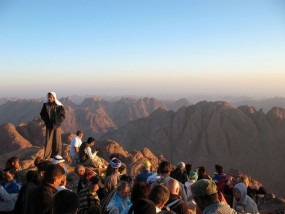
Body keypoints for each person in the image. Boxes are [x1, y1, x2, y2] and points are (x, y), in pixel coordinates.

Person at [40, 91, 65, 159]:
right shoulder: (45, 105)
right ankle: (47, 156)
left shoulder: (59, 106)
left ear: (54, 97)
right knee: (49, 140)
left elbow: (62, 116)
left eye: (51, 97)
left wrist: (58, 122)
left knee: (57, 141)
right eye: (49, 97)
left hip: (56, 126)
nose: (49, 98)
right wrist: (46, 121)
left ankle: (57, 155)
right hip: (49, 125)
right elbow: (42, 114)